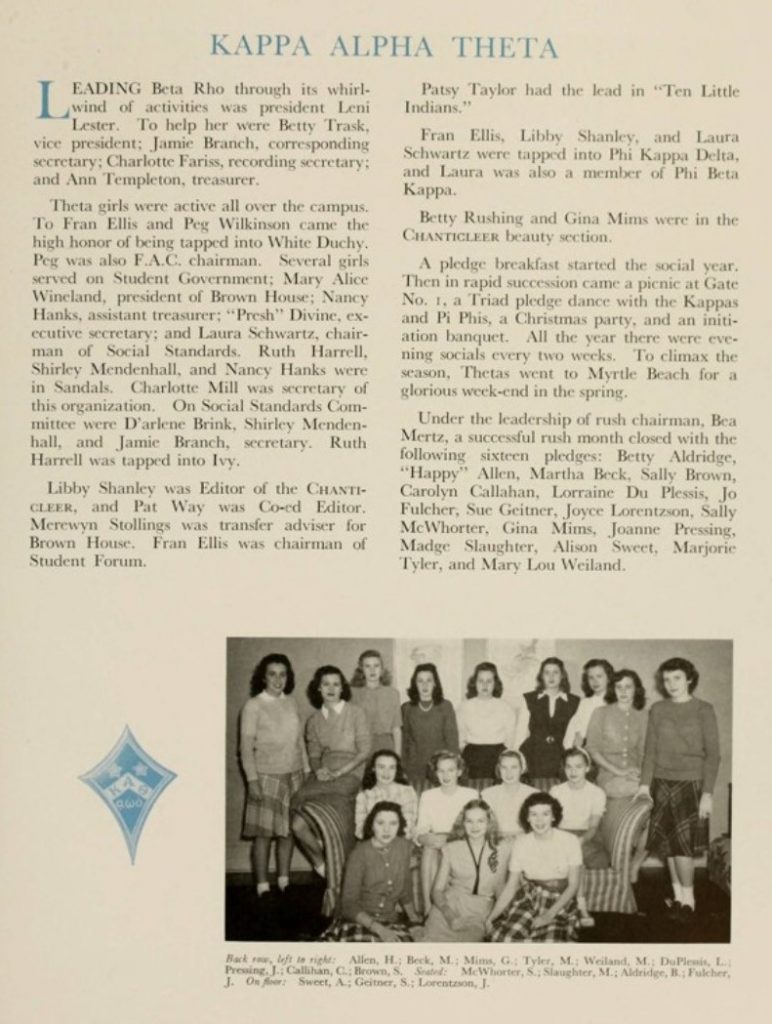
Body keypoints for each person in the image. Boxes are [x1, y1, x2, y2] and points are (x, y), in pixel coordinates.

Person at [637, 657, 720, 921]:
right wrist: (644, 786)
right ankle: (677, 897)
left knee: (683, 846)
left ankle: (690, 901)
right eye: (666, 679)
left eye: (677, 678)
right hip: (661, 782)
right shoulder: (658, 709)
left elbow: (713, 755)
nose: (671, 684)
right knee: (668, 846)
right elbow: (650, 752)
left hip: (691, 783)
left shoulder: (703, 709)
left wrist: (707, 794)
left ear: (689, 680)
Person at [290, 666, 371, 877]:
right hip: (324, 774)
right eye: (326, 684)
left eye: (336, 683)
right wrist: (319, 771)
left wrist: (339, 773)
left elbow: (364, 752)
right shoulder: (314, 720)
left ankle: (333, 847)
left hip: (351, 773)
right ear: (318, 688)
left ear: (342, 687)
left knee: (334, 818)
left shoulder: (356, 713)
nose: (331, 688)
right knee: (297, 822)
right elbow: (314, 755)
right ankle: (323, 866)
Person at [239, 653, 305, 896]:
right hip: (266, 776)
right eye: (272, 674)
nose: (278, 679)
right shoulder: (253, 706)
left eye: (283, 674)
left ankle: (284, 881)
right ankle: (262, 886)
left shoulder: (291, 702)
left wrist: (306, 771)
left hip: (294, 774)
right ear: (263, 677)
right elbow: (245, 748)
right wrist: (252, 780)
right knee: (264, 834)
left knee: (287, 831)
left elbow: (300, 743)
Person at [485, 793, 582, 943]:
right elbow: (511, 886)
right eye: (534, 814)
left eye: (545, 814)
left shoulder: (570, 840)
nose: (539, 820)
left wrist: (549, 915)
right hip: (529, 897)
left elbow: (573, 885)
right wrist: (491, 917)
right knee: (506, 939)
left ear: (553, 817)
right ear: (527, 818)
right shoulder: (521, 843)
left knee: (549, 943)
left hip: (560, 900)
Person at [321, 802, 422, 942]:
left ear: (400, 826)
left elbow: (405, 892)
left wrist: (415, 922)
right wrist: (379, 930)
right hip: (358, 919)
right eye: (380, 823)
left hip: (390, 921)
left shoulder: (403, 848)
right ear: (371, 825)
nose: (387, 829)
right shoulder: (359, 854)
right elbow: (348, 905)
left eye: (393, 823)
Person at [586, 668, 650, 882]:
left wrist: (642, 776)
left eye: (628, 686)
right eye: (619, 686)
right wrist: (620, 771)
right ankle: (627, 856)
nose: (623, 691)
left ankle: (636, 861)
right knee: (654, 802)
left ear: (636, 689)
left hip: (635, 776)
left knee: (659, 808)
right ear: (613, 689)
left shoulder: (643, 716)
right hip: (609, 777)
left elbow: (643, 753)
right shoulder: (600, 713)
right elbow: (592, 749)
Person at [422, 799, 508, 942]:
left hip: (479, 913)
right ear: (463, 823)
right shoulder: (451, 848)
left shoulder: (500, 850)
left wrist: (497, 917)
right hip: (448, 907)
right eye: (469, 821)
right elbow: (436, 890)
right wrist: (448, 913)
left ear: (489, 823)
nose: (474, 826)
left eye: (480, 821)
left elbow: (500, 890)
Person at [550, 747, 608, 926]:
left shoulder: (597, 793)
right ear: (564, 768)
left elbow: (593, 827)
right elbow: (552, 824)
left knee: (577, 855)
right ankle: (579, 907)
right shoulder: (556, 791)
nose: (573, 771)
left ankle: (577, 907)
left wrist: (579, 841)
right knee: (570, 856)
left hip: (586, 836)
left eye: (578, 766)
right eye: (568, 767)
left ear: (587, 768)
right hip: (560, 835)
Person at [414, 751, 478, 912]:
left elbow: (475, 827)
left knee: (437, 849)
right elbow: (421, 827)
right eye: (441, 770)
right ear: (435, 773)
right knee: (429, 850)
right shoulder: (428, 796)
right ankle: (429, 911)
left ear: (459, 772)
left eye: (450, 770)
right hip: (435, 844)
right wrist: (424, 838)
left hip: (462, 842)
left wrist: (449, 838)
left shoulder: (471, 795)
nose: (446, 775)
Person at [515, 657, 580, 790]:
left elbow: (572, 736)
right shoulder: (529, 699)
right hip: (533, 754)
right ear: (541, 676)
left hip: (559, 756)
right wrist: (517, 758)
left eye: (555, 672)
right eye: (547, 672)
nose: (551, 677)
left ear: (562, 676)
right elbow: (520, 733)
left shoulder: (574, 702)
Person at [457, 661, 517, 790]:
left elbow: (510, 740)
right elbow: (460, 738)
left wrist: (503, 759)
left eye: (489, 681)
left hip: (497, 756)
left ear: (495, 684)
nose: (485, 685)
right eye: (480, 681)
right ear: (474, 683)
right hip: (472, 757)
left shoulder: (505, 707)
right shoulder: (464, 707)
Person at [401, 663, 459, 794]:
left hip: (440, 767)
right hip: (414, 768)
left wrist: (449, 768)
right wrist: (402, 769)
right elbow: (405, 741)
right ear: (414, 684)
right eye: (420, 681)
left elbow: (452, 742)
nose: (425, 685)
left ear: (435, 683)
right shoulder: (407, 708)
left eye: (429, 680)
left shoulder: (446, 706)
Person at [355, 749, 418, 840]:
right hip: (373, 844)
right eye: (381, 767)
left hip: (400, 843)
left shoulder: (406, 791)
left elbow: (408, 827)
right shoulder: (364, 796)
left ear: (396, 769)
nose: (386, 772)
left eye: (391, 767)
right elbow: (360, 831)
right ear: (373, 769)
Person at [350, 649, 402, 752]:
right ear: (361, 670)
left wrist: (397, 755)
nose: (372, 670)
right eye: (367, 666)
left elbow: (396, 728)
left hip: (386, 744)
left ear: (382, 669)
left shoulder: (393, 693)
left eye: (376, 666)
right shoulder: (352, 694)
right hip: (361, 745)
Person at [481, 749, 538, 841]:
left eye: (514, 767)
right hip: (498, 842)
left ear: (522, 769)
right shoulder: (487, 794)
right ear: (499, 769)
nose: (509, 773)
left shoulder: (534, 794)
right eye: (504, 768)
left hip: (526, 842)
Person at [563, 658, 615, 749]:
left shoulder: (616, 702)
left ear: (609, 678)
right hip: (585, 752)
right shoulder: (585, 703)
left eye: (599, 676)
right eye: (591, 677)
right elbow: (572, 731)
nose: (595, 681)